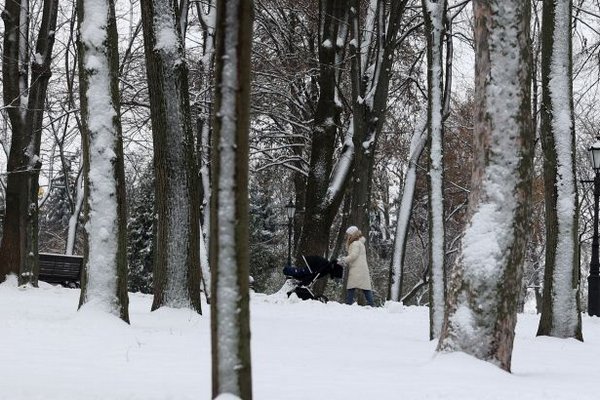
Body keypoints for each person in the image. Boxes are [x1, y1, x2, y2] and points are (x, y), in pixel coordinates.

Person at [340, 226, 375, 306]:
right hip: (362, 269)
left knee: (351, 287)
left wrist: (344, 260)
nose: (347, 236)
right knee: (365, 288)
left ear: (352, 234)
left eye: (348, 235)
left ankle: (348, 304)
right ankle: (371, 304)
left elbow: (353, 255)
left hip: (357, 269)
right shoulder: (360, 243)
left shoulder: (355, 243)